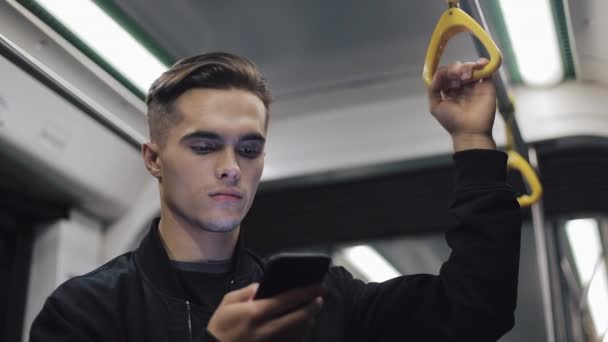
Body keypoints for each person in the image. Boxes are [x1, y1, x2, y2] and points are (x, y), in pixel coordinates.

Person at [30, 52, 521, 341]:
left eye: (249, 148)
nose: (230, 167)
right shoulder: (86, 312)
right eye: (204, 146)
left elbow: (476, 308)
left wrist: (472, 140)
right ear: (154, 159)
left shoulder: (317, 301)